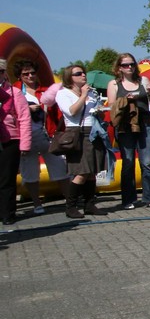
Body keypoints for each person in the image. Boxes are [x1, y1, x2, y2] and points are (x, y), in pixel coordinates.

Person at [106, 54, 150, 210]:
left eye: (132, 64)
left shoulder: (144, 80)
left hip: (144, 124)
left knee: (147, 162)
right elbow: (111, 106)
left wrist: (149, 92)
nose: (129, 67)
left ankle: (149, 197)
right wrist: (125, 100)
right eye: (125, 65)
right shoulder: (114, 84)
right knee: (128, 162)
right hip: (125, 126)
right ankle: (128, 199)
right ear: (119, 68)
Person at [14, 59, 69, 214]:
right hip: (25, 136)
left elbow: (58, 113)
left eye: (32, 73)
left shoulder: (45, 91)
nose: (30, 76)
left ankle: (70, 200)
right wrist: (26, 109)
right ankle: (37, 204)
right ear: (19, 76)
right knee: (30, 171)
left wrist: (60, 130)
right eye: (25, 74)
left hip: (47, 134)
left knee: (59, 167)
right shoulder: (14, 91)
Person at [54, 64, 108, 219]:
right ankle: (70, 206)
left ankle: (89, 205)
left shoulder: (91, 93)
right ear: (69, 78)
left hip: (94, 132)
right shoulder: (63, 94)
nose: (83, 75)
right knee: (81, 172)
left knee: (92, 172)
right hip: (78, 133)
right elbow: (71, 111)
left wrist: (99, 110)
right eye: (78, 73)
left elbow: (99, 114)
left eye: (83, 72)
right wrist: (83, 96)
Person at [0, 59, 32, 224]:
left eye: (0, 71)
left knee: (7, 178)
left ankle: (7, 213)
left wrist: (24, 144)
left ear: (4, 73)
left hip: (10, 140)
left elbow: (24, 118)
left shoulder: (14, 92)